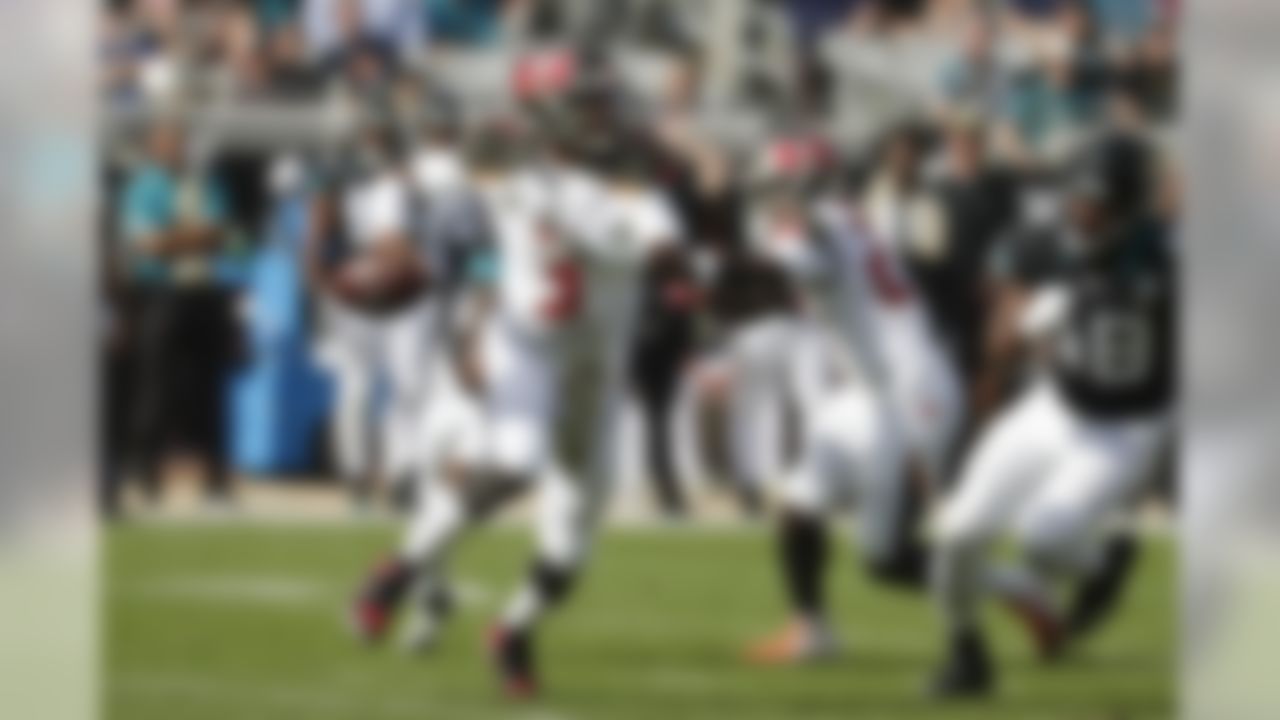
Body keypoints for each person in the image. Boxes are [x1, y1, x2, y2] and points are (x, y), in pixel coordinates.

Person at [928, 132, 1175, 698]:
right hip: (1054, 406)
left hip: (1125, 427)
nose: (1083, 212)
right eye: (1079, 198)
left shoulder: (1170, 257)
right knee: (958, 533)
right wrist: (1008, 339)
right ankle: (968, 658)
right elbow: (1004, 303)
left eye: (1098, 203)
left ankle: (1104, 562)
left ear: (1130, 205)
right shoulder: (1046, 238)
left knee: (1042, 539)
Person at [307, 118, 435, 507]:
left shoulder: (411, 178)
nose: (376, 143)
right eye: (372, 134)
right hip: (357, 284)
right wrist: (323, 283)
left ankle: (404, 472)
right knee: (356, 387)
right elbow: (318, 231)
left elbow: (413, 236)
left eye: (383, 136)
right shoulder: (338, 173)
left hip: (401, 290)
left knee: (409, 383)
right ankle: (356, 474)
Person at [120, 119, 241, 505]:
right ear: (156, 146)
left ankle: (215, 478)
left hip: (204, 291)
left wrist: (176, 237)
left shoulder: (206, 183)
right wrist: (193, 237)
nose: (176, 149)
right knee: (155, 386)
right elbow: (147, 245)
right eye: (168, 142)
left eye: (179, 141)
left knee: (209, 388)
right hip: (160, 291)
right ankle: (146, 473)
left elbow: (220, 235)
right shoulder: (145, 186)